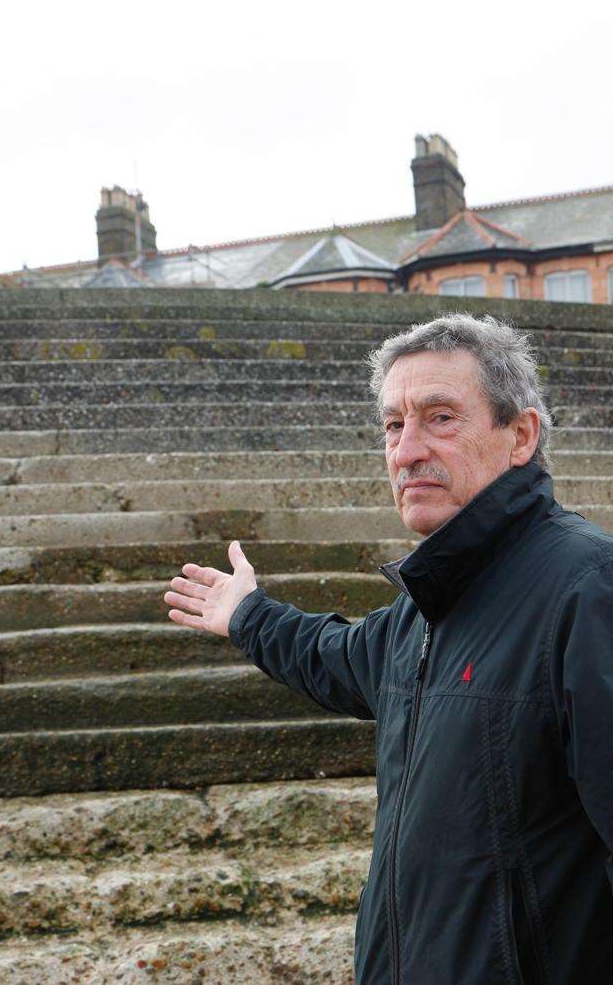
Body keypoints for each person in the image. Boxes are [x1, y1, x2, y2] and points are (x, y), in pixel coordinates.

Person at [163, 313, 613, 984]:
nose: (406, 451)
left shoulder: (586, 588)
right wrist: (248, 615)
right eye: (394, 426)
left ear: (520, 436)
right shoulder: (424, 607)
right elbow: (334, 655)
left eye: (440, 418)